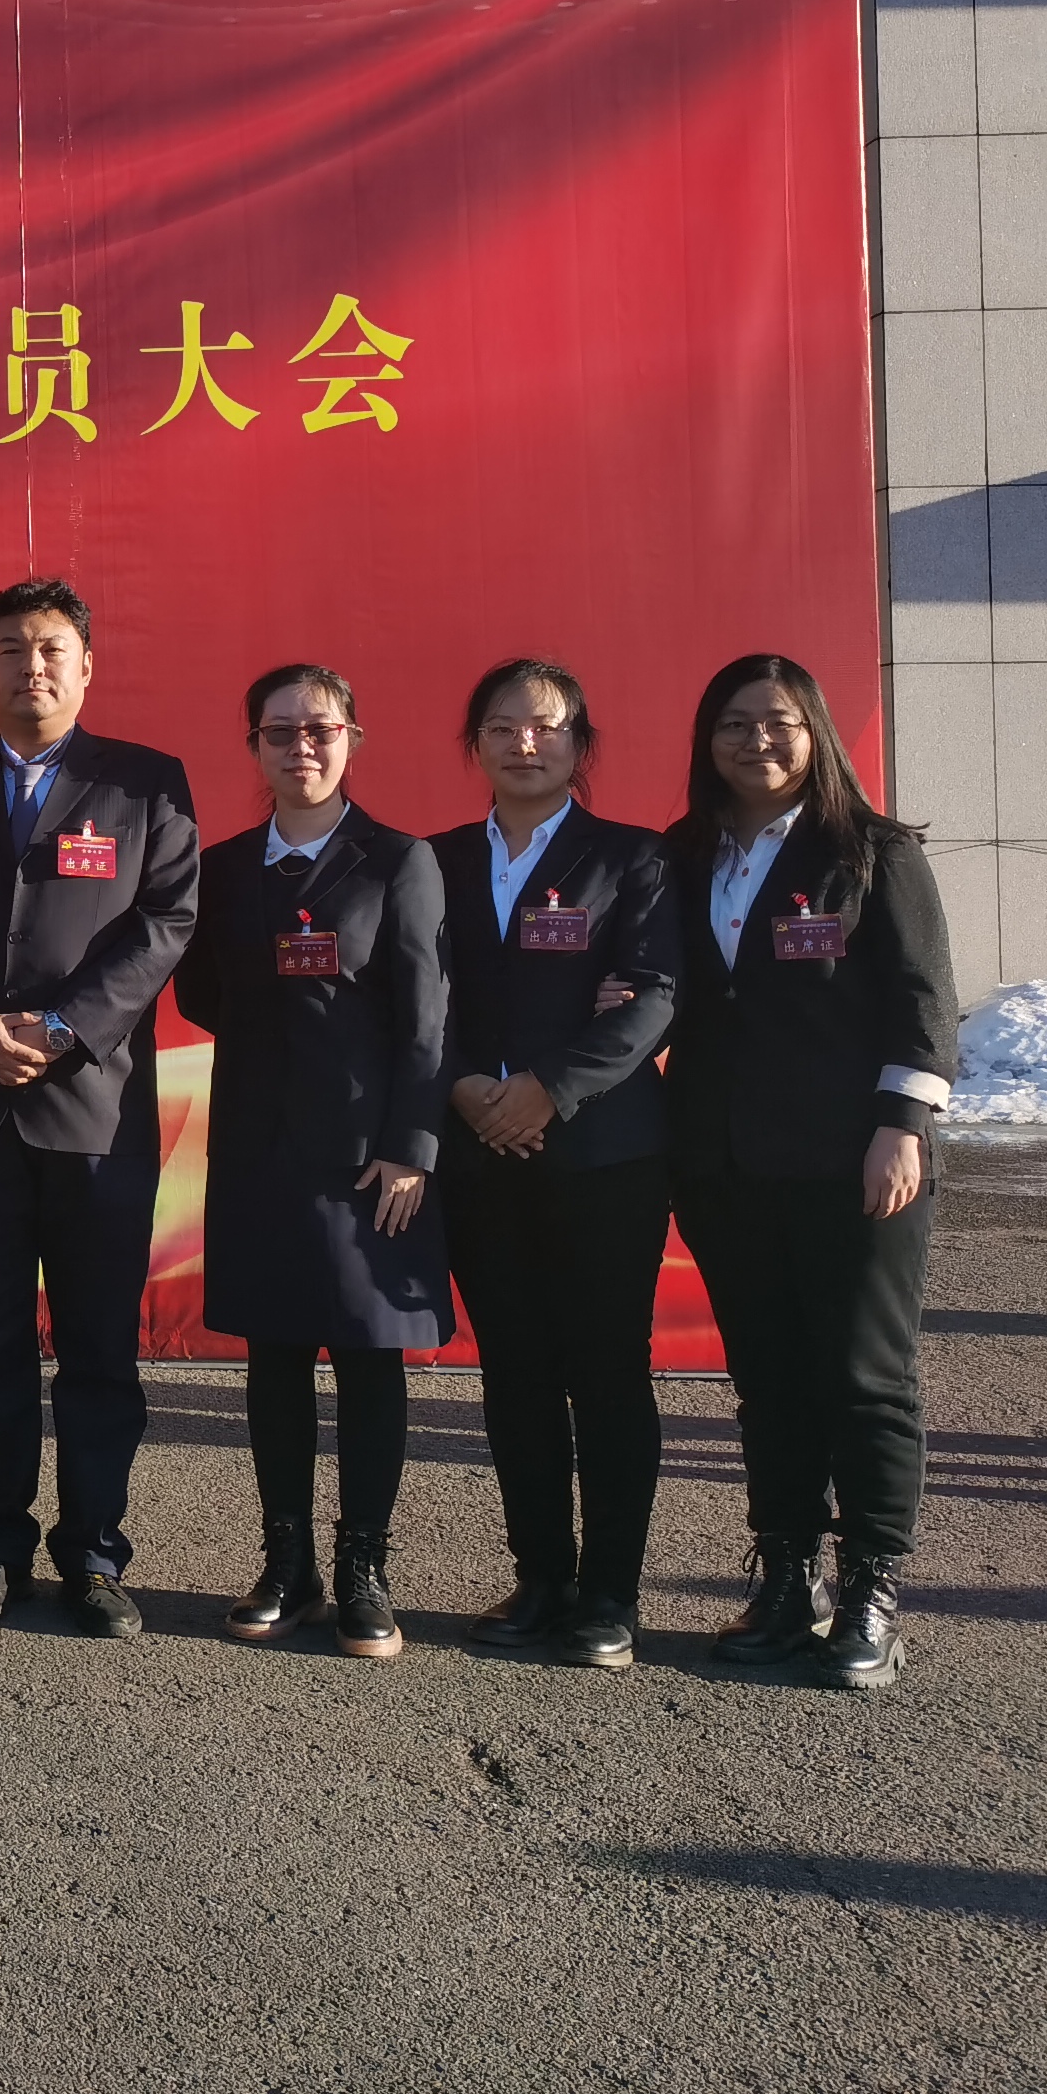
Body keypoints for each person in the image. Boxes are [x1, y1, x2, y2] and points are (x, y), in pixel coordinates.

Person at [0, 576, 200, 1639]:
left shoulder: (145, 783)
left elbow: (166, 922)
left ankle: (96, 1556)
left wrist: (67, 1028)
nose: (33, 666)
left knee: (99, 1346)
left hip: (96, 1112)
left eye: (52, 648)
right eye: (11, 650)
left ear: (86, 665)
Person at [663, 654, 957, 1691]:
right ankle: (789, 1578)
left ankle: (872, 1585)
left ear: (815, 732)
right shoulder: (683, 854)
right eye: (734, 723)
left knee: (866, 1379)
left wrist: (901, 1125)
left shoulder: (872, 852)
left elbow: (924, 1000)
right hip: (724, 1163)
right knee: (770, 1382)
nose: (757, 741)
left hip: (857, 1161)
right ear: (707, 741)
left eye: (779, 722)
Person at [175, 664, 449, 1661]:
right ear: (253, 745)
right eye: (280, 731)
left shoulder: (400, 860)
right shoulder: (221, 867)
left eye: (320, 729)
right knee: (276, 1358)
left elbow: (426, 1017)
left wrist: (410, 1146)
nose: (301, 747)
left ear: (351, 740)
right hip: (260, 1149)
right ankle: (285, 1562)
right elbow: (203, 993)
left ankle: (364, 1568)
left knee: (370, 1361)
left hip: (370, 1162)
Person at [428, 659, 680, 1669]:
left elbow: (655, 996)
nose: (523, 744)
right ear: (475, 744)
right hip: (477, 1152)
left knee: (608, 1372)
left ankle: (611, 1594)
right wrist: (462, 1088)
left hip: (604, 1155)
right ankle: (541, 1575)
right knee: (516, 1372)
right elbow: (413, 997)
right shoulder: (434, 862)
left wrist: (548, 1089)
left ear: (580, 743)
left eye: (545, 727)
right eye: (501, 727)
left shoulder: (633, 858)